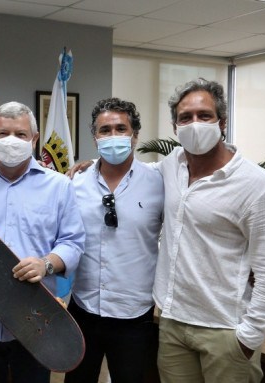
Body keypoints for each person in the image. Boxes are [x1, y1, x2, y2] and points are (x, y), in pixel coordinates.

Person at [153, 78, 265, 382]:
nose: (195, 124)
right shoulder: (171, 165)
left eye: (204, 115)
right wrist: (91, 165)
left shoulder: (258, 186)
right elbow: (135, 176)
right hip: (173, 323)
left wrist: (247, 339)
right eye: (185, 117)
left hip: (225, 331)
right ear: (175, 128)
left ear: (222, 122)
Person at [0, 101, 85, 383]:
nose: (11, 141)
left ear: (34, 139)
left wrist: (46, 264)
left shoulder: (59, 186)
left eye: (21, 134)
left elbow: (73, 242)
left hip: (35, 319)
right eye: (3, 134)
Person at [67, 97, 163, 383]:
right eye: (105, 130)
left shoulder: (159, 181)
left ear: (135, 136)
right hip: (83, 308)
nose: (113, 136)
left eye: (121, 129)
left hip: (135, 315)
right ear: (94, 137)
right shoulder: (74, 183)